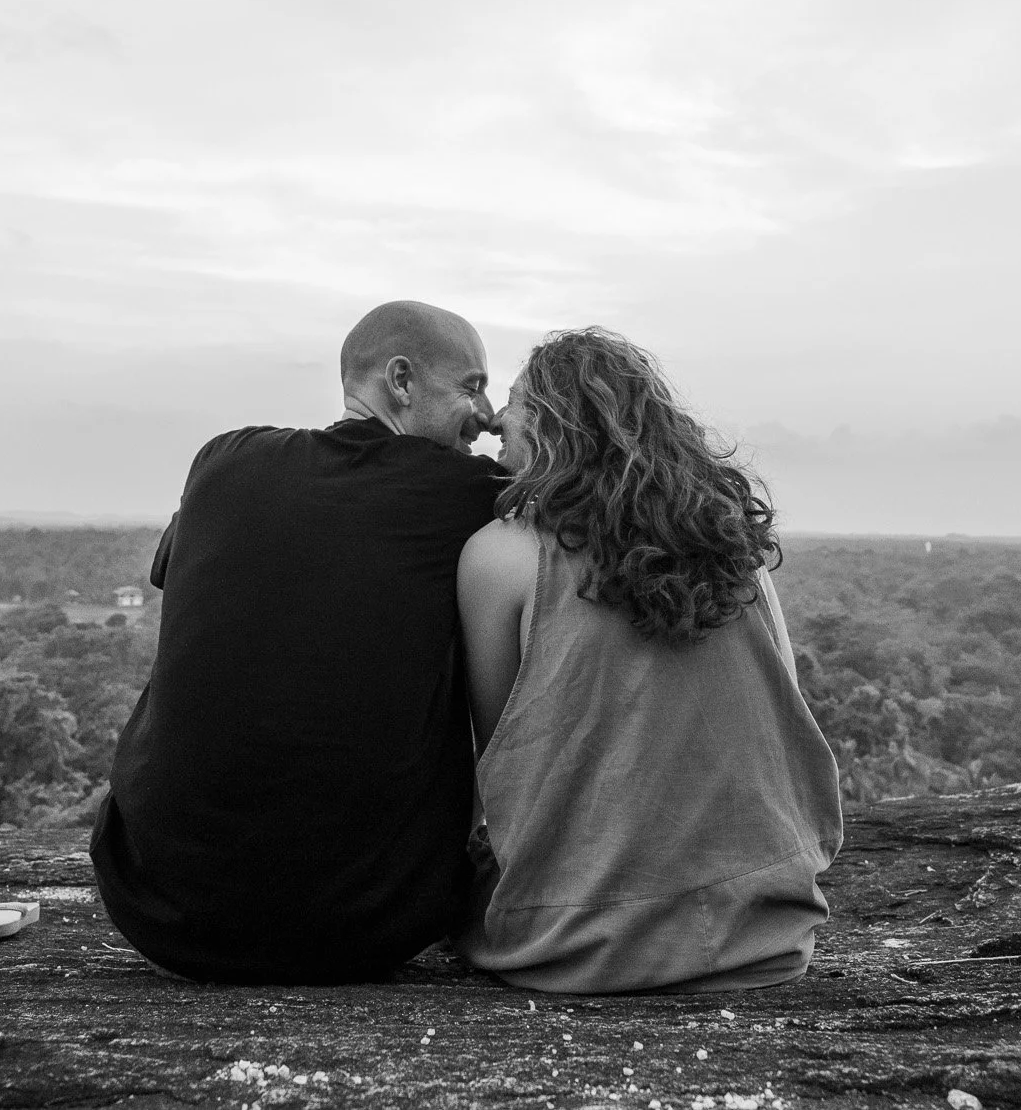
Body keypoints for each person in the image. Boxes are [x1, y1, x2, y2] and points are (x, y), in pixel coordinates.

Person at [91, 301, 504, 983]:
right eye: (472, 385)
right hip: (380, 921)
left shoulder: (224, 460)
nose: (486, 415)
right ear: (401, 380)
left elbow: (170, 564)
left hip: (158, 905)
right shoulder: (469, 494)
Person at [455, 327, 843, 993]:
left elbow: (503, 754)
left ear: (556, 419)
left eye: (514, 400)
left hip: (571, 947)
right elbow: (785, 719)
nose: (493, 419)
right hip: (763, 935)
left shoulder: (501, 555)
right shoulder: (734, 552)